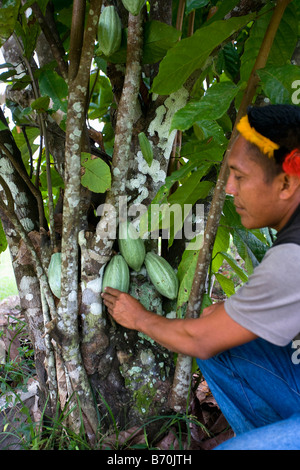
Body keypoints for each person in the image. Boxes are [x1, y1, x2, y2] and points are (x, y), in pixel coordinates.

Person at [101, 104, 300, 450]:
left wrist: (138, 318)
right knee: (222, 349)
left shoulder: (292, 259)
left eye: (239, 176)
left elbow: (199, 339)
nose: (230, 190)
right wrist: (220, 321)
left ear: (285, 182)